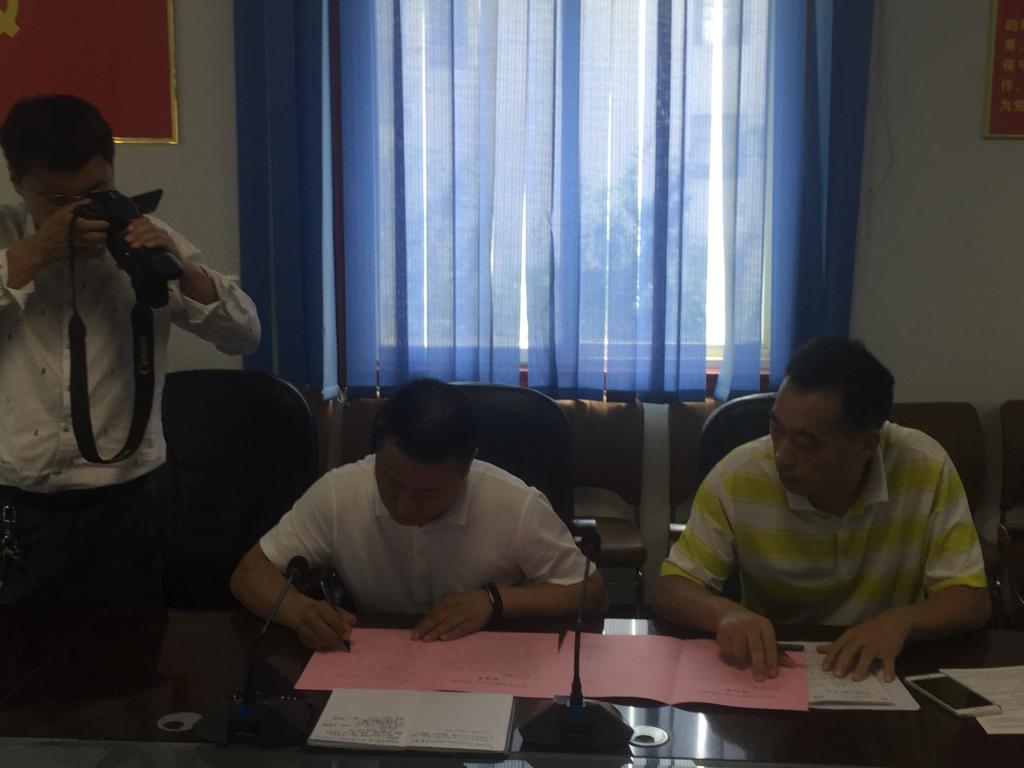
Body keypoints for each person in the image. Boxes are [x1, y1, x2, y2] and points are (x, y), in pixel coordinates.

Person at [0, 94, 260, 604]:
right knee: (18, 649)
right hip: (20, 498)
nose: (82, 212)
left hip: (131, 498)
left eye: (96, 191)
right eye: (58, 199)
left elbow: (244, 335)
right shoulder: (7, 236)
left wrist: (184, 270)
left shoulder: (143, 235)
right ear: (18, 183)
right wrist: (37, 251)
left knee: (131, 646)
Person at [652, 337, 990, 683]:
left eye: (805, 442)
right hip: (774, 669)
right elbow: (671, 588)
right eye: (776, 429)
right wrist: (724, 613)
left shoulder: (925, 466)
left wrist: (903, 621)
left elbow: (971, 599)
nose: (782, 456)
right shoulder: (737, 476)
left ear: (866, 445)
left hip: (883, 670)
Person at [231, 378, 608, 649]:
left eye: (427, 493)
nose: (404, 505)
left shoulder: (515, 504)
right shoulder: (339, 492)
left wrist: (495, 601)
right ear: (377, 452)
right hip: (376, 664)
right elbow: (249, 574)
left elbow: (591, 593)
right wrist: (300, 612)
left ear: (467, 468)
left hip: (488, 666)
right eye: (391, 482)